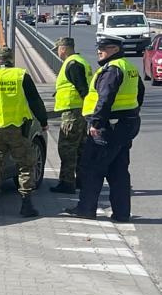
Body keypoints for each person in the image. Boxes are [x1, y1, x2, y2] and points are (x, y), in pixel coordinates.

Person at [59, 35, 144, 222]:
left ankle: (86, 209)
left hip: (109, 126)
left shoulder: (112, 69)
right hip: (125, 124)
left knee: (91, 168)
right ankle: (122, 213)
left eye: (104, 48)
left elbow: (105, 98)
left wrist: (96, 123)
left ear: (115, 49)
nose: (99, 51)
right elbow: (140, 92)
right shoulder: (128, 67)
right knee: (118, 171)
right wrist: (132, 113)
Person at [0, 46, 50, 218]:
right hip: (18, 129)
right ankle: (26, 205)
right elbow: (35, 101)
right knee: (25, 165)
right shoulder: (21, 75)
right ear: (12, 60)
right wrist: (43, 121)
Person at [48, 36, 91, 195]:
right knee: (80, 148)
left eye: (58, 50)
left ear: (63, 48)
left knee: (67, 148)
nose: (58, 53)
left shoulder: (72, 64)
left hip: (73, 112)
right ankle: (81, 181)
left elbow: (82, 89)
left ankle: (67, 183)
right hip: (81, 111)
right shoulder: (81, 61)